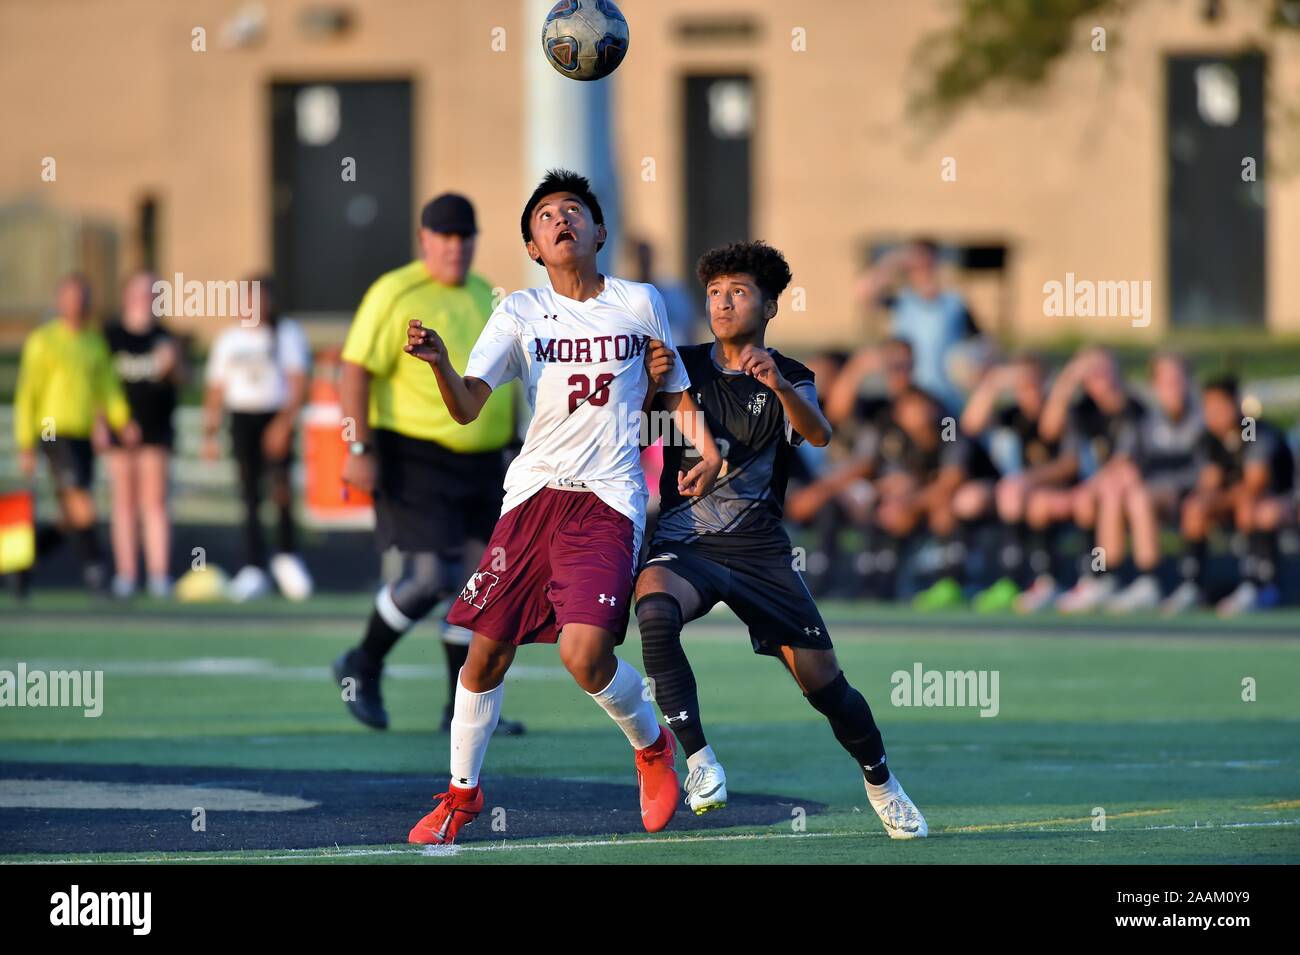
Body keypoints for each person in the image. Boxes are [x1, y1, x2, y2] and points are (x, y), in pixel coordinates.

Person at [403, 170, 722, 844]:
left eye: (573, 210)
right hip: (530, 499)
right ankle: (462, 797)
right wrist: (437, 361)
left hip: (607, 499)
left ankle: (652, 746)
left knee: (584, 656)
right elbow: (466, 407)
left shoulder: (640, 301)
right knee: (481, 655)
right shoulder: (518, 311)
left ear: (599, 231)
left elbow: (673, 388)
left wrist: (706, 449)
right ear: (532, 246)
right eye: (546, 216)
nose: (560, 220)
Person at [633, 240, 927, 838]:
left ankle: (881, 781)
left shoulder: (791, 374)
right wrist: (648, 385)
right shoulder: (682, 364)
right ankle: (699, 760)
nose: (722, 303)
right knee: (655, 612)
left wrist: (781, 387)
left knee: (825, 686)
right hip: (684, 539)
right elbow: (639, 425)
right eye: (715, 293)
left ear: (768, 307)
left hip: (760, 549)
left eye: (738, 293)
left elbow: (817, 435)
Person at [332, 194, 523, 735]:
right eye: (446, 235)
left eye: (465, 236)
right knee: (428, 577)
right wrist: (358, 448)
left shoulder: (487, 294)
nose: (456, 246)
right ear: (424, 238)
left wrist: (515, 443)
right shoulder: (395, 291)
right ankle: (362, 662)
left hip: (484, 461)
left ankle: (459, 710)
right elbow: (353, 370)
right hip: (413, 455)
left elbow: (506, 377)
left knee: (477, 585)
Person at [14, 273, 132, 594]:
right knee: (82, 501)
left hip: (81, 434)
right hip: (52, 430)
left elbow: (106, 388)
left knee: (70, 514)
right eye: (71, 297)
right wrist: (26, 443)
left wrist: (121, 420)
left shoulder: (93, 343)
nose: (77, 305)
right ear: (60, 301)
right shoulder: (44, 341)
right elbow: (28, 393)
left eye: (83, 298)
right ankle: (96, 569)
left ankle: (23, 563)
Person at [201, 277, 313, 602]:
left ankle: (288, 557)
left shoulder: (286, 333)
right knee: (249, 493)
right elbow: (216, 389)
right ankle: (254, 566)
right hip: (242, 419)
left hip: (273, 416)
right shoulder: (228, 339)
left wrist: (283, 423)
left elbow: (298, 382)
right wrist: (209, 434)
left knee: (281, 491)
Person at [1017, 347, 1145, 613]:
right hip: (1089, 486)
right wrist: (1069, 378)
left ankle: (1100, 576)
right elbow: (1049, 431)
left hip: (1125, 488)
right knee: (1042, 503)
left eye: (1104, 372)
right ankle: (1048, 580)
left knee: (1096, 497)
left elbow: (1126, 464)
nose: (1100, 381)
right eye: (1093, 375)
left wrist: (1089, 487)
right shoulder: (1083, 410)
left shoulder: (1132, 408)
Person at [1163, 376, 1295, 616]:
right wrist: (1206, 501)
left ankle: (1257, 585)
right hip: (1237, 502)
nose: (1213, 413)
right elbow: (1209, 482)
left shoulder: (1251, 429)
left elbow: (1256, 483)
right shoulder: (1211, 439)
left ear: (1235, 404)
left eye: (1219, 406)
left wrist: (1221, 498)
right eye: (1208, 407)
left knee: (1252, 505)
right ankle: (1191, 584)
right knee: (1195, 507)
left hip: (1279, 501)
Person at [962, 353, 1072, 611]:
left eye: (1033, 382)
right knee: (972, 499)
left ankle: (1040, 582)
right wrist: (993, 384)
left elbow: (1068, 461)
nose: (1028, 390)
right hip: (1016, 493)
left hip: (1058, 491)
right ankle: (992, 580)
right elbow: (969, 426)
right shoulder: (1011, 415)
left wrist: (1027, 480)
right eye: (1022, 385)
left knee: (1028, 499)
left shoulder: (1059, 412)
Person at [874, 386, 999, 610]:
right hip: (930, 494)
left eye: (921, 407)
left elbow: (953, 479)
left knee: (951, 505)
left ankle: (952, 581)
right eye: (909, 409)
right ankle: (888, 582)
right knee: (893, 509)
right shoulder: (898, 438)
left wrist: (912, 504)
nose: (917, 414)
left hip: (982, 490)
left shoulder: (948, 427)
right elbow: (889, 480)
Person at [1096, 353, 1203, 613]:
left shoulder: (1204, 419)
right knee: (1114, 491)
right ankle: (1104, 576)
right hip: (1153, 495)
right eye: (1166, 382)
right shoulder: (1145, 422)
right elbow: (1122, 462)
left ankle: (1149, 580)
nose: (1173, 388)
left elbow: (1235, 447)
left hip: (1194, 495)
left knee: (1139, 496)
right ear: (1155, 386)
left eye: (1179, 380)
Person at [103, 270, 184, 599]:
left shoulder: (166, 337)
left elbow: (183, 381)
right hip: (120, 429)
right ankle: (126, 574)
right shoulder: (110, 336)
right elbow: (98, 385)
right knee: (123, 502)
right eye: (139, 292)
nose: (145, 299)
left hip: (156, 430)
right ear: (125, 296)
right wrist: (112, 422)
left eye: (152, 292)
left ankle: (158, 575)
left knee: (154, 502)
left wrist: (173, 366)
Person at [853, 238, 981, 414]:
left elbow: (982, 342)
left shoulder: (955, 304)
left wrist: (976, 363)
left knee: (949, 436)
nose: (923, 268)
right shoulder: (902, 300)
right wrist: (894, 260)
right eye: (917, 263)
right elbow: (862, 292)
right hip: (907, 398)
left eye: (927, 262)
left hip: (944, 396)